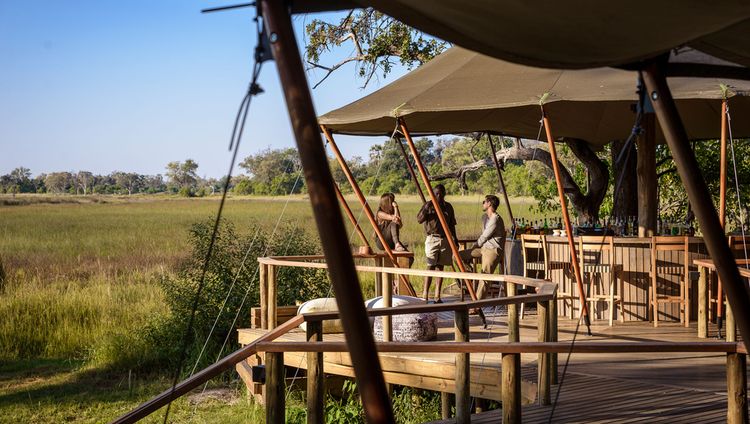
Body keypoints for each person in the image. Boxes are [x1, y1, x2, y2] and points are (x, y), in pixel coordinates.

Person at [460, 194, 506, 299]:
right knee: (457, 256)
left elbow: (484, 236)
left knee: (485, 277)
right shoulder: (485, 217)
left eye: (484, 202)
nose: (483, 204)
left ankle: (476, 305)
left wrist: (473, 247)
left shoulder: (495, 218)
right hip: (483, 249)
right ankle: (469, 273)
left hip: (492, 250)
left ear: (489, 204)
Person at [417, 184, 457, 303]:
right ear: (433, 194)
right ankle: (425, 295)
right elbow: (419, 219)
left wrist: (455, 239)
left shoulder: (448, 207)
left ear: (444, 194)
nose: (439, 196)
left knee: (441, 267)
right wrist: (426, 208)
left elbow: (452, 225)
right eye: (436, 194)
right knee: (430, 266)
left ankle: (437, 295)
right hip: (432, 239)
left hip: (445, 239)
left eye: (441, 193)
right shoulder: (428, 205)